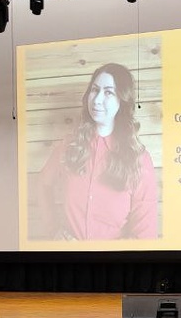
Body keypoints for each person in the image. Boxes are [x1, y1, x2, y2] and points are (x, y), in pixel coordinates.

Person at [37, 63, 159, 240]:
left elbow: (145, 235)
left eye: (108, 92)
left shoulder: (139, 160)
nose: (97, 99)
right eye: (94, 90)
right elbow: (42, 184)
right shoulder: (68, 146)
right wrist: (53, 230)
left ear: (122, 101)